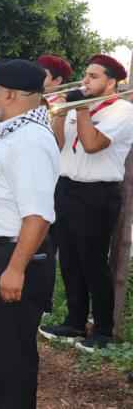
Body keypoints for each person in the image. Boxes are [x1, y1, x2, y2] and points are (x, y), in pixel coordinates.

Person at [0, 59, 58, 409]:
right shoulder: (17, 135)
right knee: (2, 357)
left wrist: (16, 268)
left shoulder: (30, 141)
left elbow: (38, 215)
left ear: (10, 94)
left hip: (13, 256)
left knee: (12, 359)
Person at [40, 54, 133, 352]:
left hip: (98, 193)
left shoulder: (122, 112)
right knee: (68, 258)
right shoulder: (77, 107)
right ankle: (75, 321)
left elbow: (92, 145)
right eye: (85, 74)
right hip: (66, 186)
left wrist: (80, 109)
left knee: (93, 261)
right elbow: (58, 145)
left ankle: (103, 330)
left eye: (93, 76)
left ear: (112, 82)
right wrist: (57, 114)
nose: (85, 80)